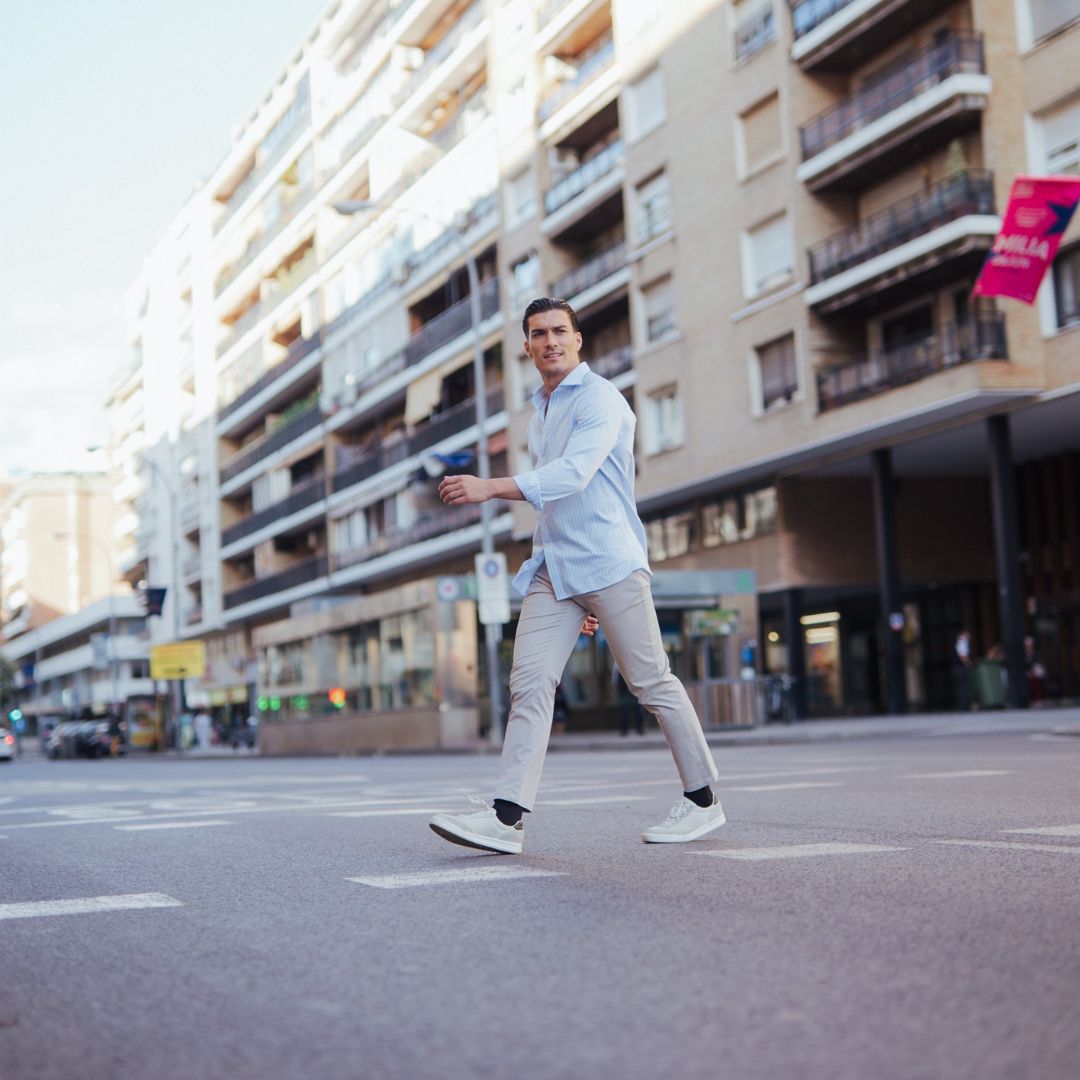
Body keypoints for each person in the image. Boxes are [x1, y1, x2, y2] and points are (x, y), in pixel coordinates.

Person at [429, 297, 723, 854]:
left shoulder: (600, 399)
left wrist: (490, 487)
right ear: (527, 347)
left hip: (610, 563)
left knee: (650, 682)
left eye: (559, 331)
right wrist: (565, 585)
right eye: (538, 334)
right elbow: (555, 506)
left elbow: (573, 475)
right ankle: (506, 818)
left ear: (578, 339)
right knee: (530, 683)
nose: (550, 342)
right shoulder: (543, 407)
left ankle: (703, 802)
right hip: (556, 571)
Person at [953, 630, 974, 711]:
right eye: (968, 635)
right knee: (964, 687)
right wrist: (969, 664)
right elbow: (963, 656)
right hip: (960, 668)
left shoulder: (959, 642)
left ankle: (963, 705)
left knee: (962, 687)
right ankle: (964, 706)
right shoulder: (962, 642)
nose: (969, 637)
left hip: (958, 668)